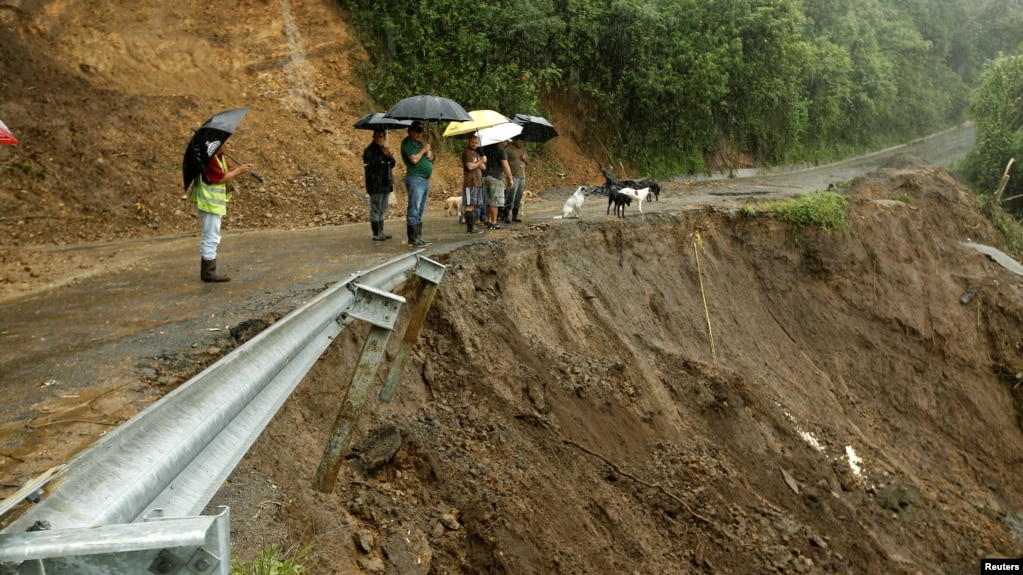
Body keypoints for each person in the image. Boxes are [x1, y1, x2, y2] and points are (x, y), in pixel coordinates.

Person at [190, 137, 254, 282]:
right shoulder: (210, 159)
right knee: (211, 237)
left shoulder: (218, 157)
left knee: (210, 235)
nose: (229, 144)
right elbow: (219, 178)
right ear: (217, 144)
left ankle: (208, 271)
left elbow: (227, 169)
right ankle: (209, 273)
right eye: (227, 142)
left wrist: (240, 168)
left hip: (210, 202)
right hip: (209, 203)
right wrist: (239, 170)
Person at [400, 120, 434, 247]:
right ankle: (412, 238)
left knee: (420, 209)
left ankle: (418, 236)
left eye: (420, 132)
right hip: (415, 178)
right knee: (414, 207)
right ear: (411, 131)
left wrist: (429, 155)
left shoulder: (419, 143)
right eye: (417, 131)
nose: (419, 135)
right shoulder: (406, 143)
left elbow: (428, 159)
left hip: (424, 179)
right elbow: (414, 159)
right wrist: (423, 150)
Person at [363, 129, 396, 241]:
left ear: (384, 137)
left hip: (385, 183)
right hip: (375, 184)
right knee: (376, 208)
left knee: (382, 208)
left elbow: (391, 164)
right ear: (373, 137)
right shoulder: (369, 151)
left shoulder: (384, 149)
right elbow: (373, 166)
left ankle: (381, 231)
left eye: (381, 136)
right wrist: (385, 157)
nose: (379, 138)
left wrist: (390, 156)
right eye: (377, 136)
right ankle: (376, 233)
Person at [480, 139, 513, 230]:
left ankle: (489, 221)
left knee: (488, 200)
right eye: (506, 141)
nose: (506, 143)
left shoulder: (485, 149)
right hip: (495, 177)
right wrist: (510, 179)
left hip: (484, 177)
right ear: (501, 141)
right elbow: (505, 166)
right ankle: (494, 222)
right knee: (495, 200)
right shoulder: (500, 150)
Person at [461, 134, 486, 233]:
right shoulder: (467, 153)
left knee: (474, 204)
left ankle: (472, 226)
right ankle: (470, 227)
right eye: (472, 142)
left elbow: (484, 167)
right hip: (471, 182)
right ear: (468, 142)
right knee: (470, 205)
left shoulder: (476, 154)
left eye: (476, 143)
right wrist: (480, 162)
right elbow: (470, 167)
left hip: (478, 183)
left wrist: (480, 161)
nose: (474, 144)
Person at [503, 135, 528, 223]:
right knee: (510, 196)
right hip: (512, 176)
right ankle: (506, 215)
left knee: (518, 196)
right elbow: (504, 162)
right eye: (519, 142)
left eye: (522, 142)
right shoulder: (508, 149)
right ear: (514, 141)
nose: (521, 143)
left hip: (522, 176)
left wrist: (525, 159)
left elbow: (528, 162)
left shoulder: (523, 150)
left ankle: (515, 216)